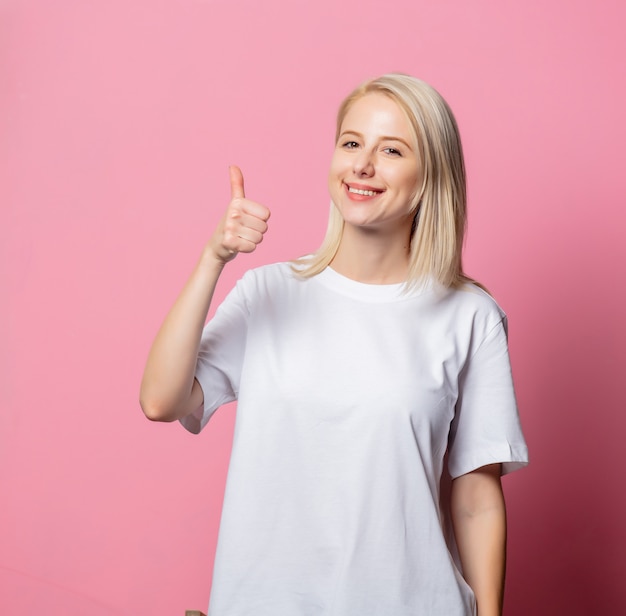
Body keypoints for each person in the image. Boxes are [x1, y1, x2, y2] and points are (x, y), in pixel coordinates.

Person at [140, 73, 528, 616]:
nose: (363, 165)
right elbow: (161, 401)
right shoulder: (268, 292)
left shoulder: (470, 317)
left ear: (431, 176)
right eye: (351, 143)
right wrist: (214, 258)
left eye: (391, 150)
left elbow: (476, 499)